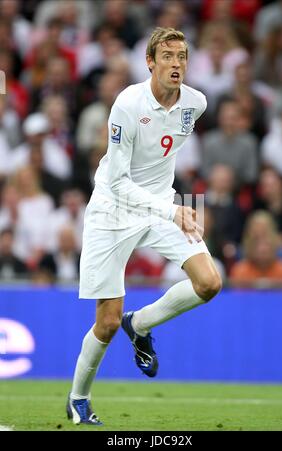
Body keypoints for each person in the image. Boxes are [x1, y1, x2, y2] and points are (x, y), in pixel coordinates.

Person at [66, 27, 222, 426]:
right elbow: (117, 182)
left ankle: (143, 324)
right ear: (150, 62)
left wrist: (169, 207)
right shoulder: (127, 104)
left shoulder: (196, 103)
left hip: (161, 204)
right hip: (113, 208)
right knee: (108, 320)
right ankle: (78, 399)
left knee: (209, 283)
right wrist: (172, 210)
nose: (176, 64)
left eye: (182, 56)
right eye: (167, 56)